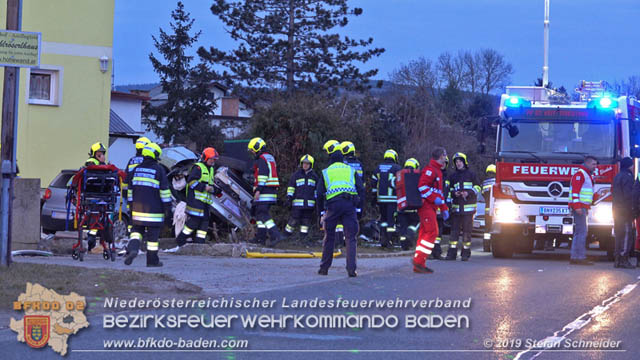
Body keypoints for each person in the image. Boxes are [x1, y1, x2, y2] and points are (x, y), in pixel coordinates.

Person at [317, 140, 364, 277]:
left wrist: (321, 213)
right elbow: (361, 189)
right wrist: (359, 209)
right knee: (351, 238)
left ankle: (324, 268)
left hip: (333, 206)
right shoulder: (351, 170)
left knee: (329, 236)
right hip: (349, 206)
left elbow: (319, 194)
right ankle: (351, 269)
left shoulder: (326, 172)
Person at [124, 143, 171, 267]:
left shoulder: (135, 170)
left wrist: (130, 207)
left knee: (135, 232)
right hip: (154, 212)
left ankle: (133, 249)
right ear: (155, 155)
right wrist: (168, 209)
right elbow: (165, 192)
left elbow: (130, 191)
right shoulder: (159, 170)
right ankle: (152, 261)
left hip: (137, 211)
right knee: (152, 239)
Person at [412, 147, 449, 273]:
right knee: (432, 232)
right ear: (440, 156)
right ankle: (419, 261)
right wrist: (435, 200)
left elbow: (439, 193)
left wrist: (444, 208)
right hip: (426, 206)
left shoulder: (437, 171)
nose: (446, 157)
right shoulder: (430, 170)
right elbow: (422, 187)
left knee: (424, 234)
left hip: (431, 207)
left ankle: (419, 262)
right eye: (445, 155)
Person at [175, 147, 221, 247]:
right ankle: (180, 239)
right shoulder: (198, 168)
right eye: (211, 159)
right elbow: (191, 182)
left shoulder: (211, 169)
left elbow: (210, 183)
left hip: (205, 203)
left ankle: (200, 244)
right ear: (206, 158)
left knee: (204, 224)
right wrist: (204, 187)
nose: (213, 161)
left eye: (214, 160)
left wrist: (215, 190)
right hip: (195, 202)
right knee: (193, 223)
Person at [248, 137, 283, 247]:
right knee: (259, 214)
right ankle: (260, 238)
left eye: (253, 150)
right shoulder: (269, 157)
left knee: (263, 214)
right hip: (270, 190)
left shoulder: (262, 159)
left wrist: (258, 190)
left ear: (257, 148)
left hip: (265, 190)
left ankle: (276, 235)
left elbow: (263, 176)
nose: (252, 153)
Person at [446, 152, 481, 261]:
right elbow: (449, 190)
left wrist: (468, 192)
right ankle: (451, 254)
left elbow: (478, 187)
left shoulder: (471, 174)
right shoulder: (452, 176)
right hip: (456, 209)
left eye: (460, 161)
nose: (458, 163)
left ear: (464, 162)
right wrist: (454, 194)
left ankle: (465, 253)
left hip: (468, 210)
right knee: (454, 233)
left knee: (467, 233)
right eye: (456, 162)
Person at [568, 155, 599, 265]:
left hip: (582, 206)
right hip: (580, 207)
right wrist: (577, 207)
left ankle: (575, 256)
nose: (595, 166)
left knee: (579, 232)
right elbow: (575, 192)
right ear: (587, 163)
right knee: (582, 232)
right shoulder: (581, 175)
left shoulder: (586, 175)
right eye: (593, 164)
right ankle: (579, 257)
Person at [284, 154, 319, 245]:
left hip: (309, 205)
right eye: (303, 163)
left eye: (307, 164)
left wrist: (317, 202)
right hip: (297, 204)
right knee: (293, 221)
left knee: (305, 222)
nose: (305, 165)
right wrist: (289, 198)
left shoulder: (314, 177)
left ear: (311, 165)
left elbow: (316, 191)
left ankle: (303, 239)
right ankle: (285, 237)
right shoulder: (296, 175)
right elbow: (291, 187)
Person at [372, 149, 402, 248]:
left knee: (383, 220)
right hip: (392, 199)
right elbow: (401, 184)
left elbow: (373, 184)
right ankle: (390, 242)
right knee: (391, 221)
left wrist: (374, 198)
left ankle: (383, 240)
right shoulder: (397, 168)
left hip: (381, 199)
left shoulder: (378, 168)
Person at [123, 137, 151, 233]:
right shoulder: (148, 161)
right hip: (144, 194)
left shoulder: (131, 161)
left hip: (131, 195)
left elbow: (126, 178)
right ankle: (144, 234)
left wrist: (125, 193)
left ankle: (131, 234)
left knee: (132, 217)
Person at [612, 157, 635, 268]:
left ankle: (617, 259)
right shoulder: (628, 177)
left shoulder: (617, 176)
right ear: (629, 165)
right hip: (625, 210)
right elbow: (629, 195)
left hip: (616, 209)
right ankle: (623, 259)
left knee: (618, 234)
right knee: (626, 234)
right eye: (632, 164)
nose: (633, 166)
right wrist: (632, 209)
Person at [85, 142, 107, 252]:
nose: (103, 156)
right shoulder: (91, 163)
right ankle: (91, 238)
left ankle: (94, 237)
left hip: (103, 195)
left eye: (103, 153)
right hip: (93, 194)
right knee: (94, 217)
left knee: (99, 217)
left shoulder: (103, 165)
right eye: (100, 154)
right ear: (96, 155)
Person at [397, 158, 421, 251]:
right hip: (414, 209)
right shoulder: (418, 176)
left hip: (402, 209)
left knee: (402, 228)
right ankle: (410, 233)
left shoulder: (399, 175)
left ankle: (404, 246)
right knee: (414, 224)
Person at [341, 141, 364, 219]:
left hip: (345, 193)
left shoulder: (343, 162)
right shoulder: (359, 164)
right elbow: (362, 181)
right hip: (357, 194)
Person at [432, 155, 450, 260]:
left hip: (442, 208)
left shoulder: (447, 177)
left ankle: (437, 252)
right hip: (433, 208)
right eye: (441, 162)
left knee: (439, 232)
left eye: (445, 163)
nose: (443, 165)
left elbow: (447, 193)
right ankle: (431, 252)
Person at [481, 164, 496, 251]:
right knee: (496, 228)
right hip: (496, 209)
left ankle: (486, 247)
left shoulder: (484, 182)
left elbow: (483, 194)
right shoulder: (497, 181)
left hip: (487, 209)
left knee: (487, 229)